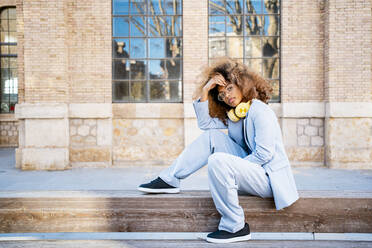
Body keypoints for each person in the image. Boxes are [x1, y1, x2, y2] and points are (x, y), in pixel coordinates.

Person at [138, 57, 299, 243]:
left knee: (219, 160)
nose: (227, 96)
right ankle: (170, 179)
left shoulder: (260, 111)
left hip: (269, 179)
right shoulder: (235, 114)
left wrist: (233, 168)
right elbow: (205, 124)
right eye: (222, 94)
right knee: (212, 136)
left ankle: (235, 226)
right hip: (252, 171)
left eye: (229, 88)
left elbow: (264, 154)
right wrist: (206, 89)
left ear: (242, 84)